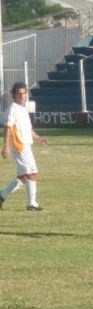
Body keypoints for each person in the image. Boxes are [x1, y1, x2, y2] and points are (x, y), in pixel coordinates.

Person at [0, 82, 48, 212]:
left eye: (24, 93)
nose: (22, 96)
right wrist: (5, 147)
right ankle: (31, 203)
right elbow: (8, 127)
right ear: (14, 95)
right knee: (32, 173)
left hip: (26, 145)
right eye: (19, 94)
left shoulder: (23, 110)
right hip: (19, 146)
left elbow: (28, 130)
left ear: (27, 94)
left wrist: (39, 138)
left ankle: (1, 196)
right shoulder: (13, 109)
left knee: (22, 179)